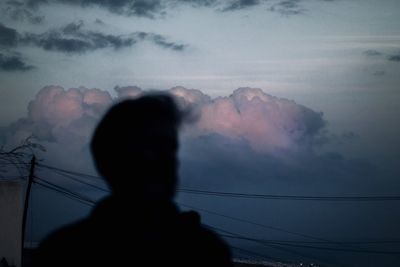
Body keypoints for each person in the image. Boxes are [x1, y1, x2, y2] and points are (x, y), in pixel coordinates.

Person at [34, 93, 232, 267]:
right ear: (109, 160)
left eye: (168, 147)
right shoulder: (65, 252)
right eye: (145, 146)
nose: (161, 158)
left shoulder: (206, 251)